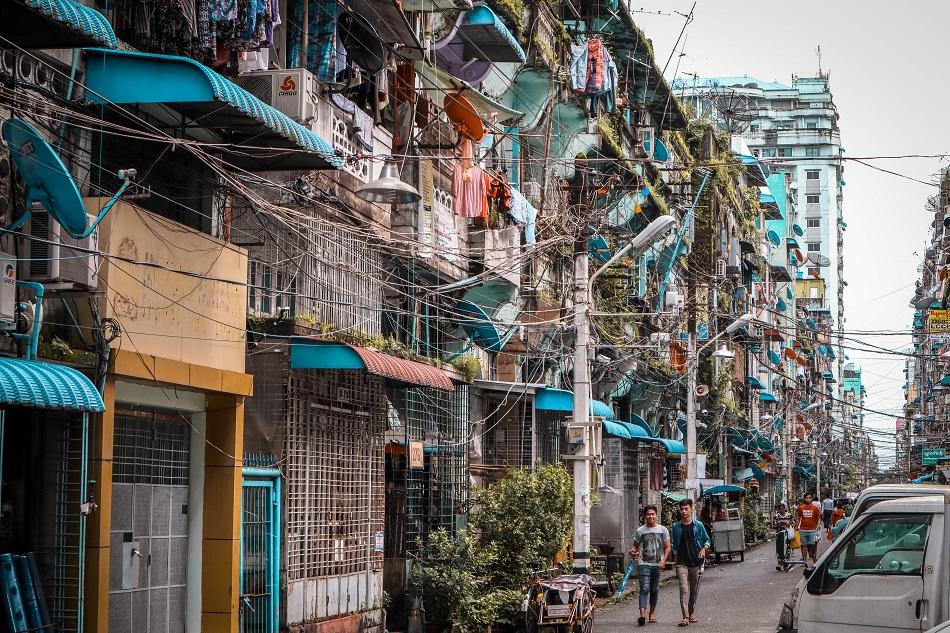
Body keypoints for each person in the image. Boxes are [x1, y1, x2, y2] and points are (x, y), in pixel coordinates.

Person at [670, 499, 711, 627]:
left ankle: (691, 611)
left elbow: (707, 540)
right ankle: (685, 616)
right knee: (684, 590)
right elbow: (675, 545)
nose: (684, 511)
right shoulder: (676, 527)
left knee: (693, 590)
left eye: (686, 509)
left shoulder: (698, 525)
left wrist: (704, 548)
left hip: (696, 561)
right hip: (681, 562)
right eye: (682, 509)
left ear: (691, 509)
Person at [630, 505, 671, 626]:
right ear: (645, 516)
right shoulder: (640, 531)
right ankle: (642, 615)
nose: (651, 516)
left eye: (653, 514)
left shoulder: (663, 530)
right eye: (648, 514)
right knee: (644, 588)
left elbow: (667, 547)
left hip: (657, 564)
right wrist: (633, 552)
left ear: (656, 515)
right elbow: (635, 546)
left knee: (654, 589)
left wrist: (664, 560)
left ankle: (652, 613)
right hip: (643, 563)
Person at [797, 492, 822, 564]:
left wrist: (818, 526)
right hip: (803, 529)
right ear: (804, 499)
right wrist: (797, 526)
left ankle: (813, 557)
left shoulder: (815, 508)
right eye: (806, 498)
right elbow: (798, 518)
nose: (808, 499)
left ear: (812, 499)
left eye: (809, 498)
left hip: (812, 530)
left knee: (813, 545)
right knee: (804, 545)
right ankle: (805, 560)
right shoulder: (801, 508)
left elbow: (819, 518)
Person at [772, 503, 793, 570]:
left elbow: (793, 523)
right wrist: (780, 525)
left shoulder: (789, 515)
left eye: (782, 509)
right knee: (779, 549)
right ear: (778, 510)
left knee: (787, 548)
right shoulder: (776, 516)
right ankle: (779, 564)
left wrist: (788, 524)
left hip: (787, 534)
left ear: (784, 509)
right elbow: (773, 526)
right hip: (779, 534)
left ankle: (786, 564)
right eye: (780, 509)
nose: (781, 510)